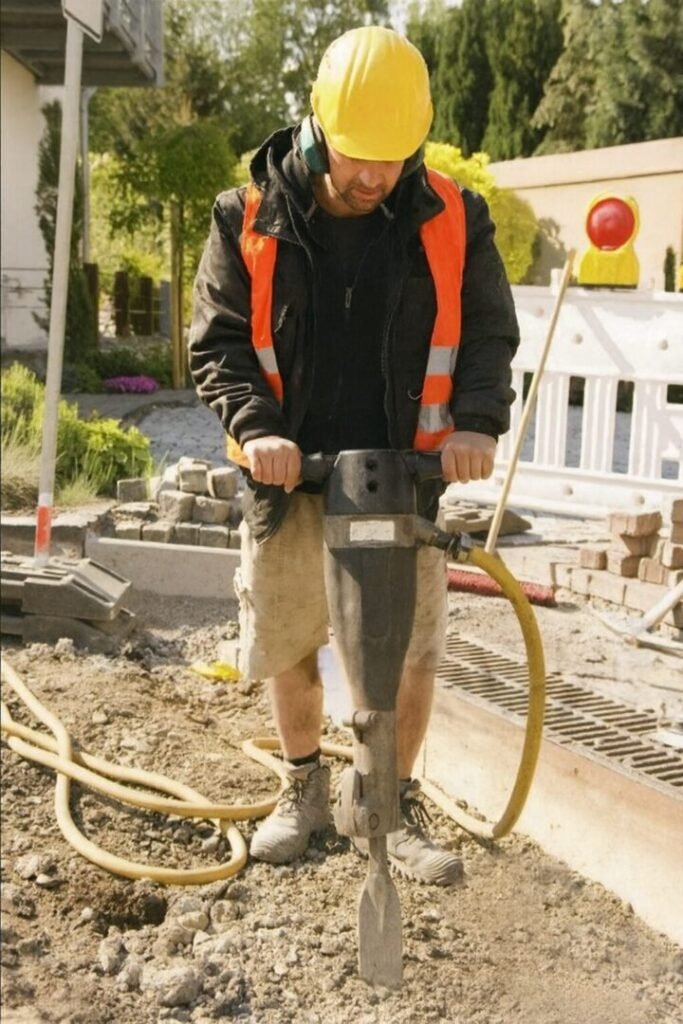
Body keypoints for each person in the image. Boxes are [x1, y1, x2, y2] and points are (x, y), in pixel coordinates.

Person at [189, 26, 519, 886]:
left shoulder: (452, 216)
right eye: (358, 156)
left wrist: (476, 423)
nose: (375, 176)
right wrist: (257, 428)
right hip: (289, 477)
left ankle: (388, 803)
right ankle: (302, 788)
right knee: (291, 636)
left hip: (404, 476)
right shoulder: (245, 216)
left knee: (410, 650)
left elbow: (487, 333)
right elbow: (219, 342)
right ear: (319, 125)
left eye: (392, 157)